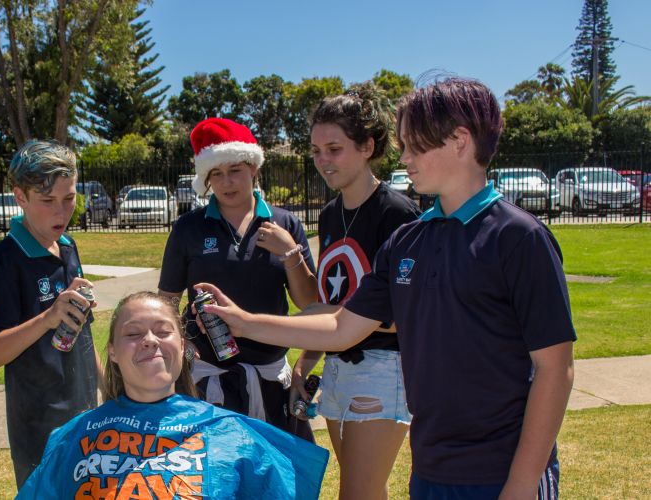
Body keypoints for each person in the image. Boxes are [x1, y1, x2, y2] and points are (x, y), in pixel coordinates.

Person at [196, 77, 574, 500]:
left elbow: (555, 369)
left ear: (460, 141)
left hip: (503, 471)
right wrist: (244, 323)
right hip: (432, 467)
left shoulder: (518, 237)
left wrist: (522, 484)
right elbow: (342, 327)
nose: (405, 158)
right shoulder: (408, 242)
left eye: (415, 145)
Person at [17, 292, 329, 499]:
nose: (149, 341)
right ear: (112, 351)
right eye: (133, 333)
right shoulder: (73, 436)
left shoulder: (233, 434)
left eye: (163, 331)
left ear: (182, 346)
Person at [291, 82, 421, 500]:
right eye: (315, 151)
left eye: (334, 148)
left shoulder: (398, 213)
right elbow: (335, 299)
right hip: (337, 367)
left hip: (384, 367)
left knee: (357, 493)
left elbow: (408, 311)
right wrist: (307, 360)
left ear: (367, 146)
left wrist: (319, 318)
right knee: (367, 490)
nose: (323, 161)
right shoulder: (330, 214)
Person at [158, 117, 320, 441]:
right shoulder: (188, 228)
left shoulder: (284, 222)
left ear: (253, 168)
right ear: (206, 179)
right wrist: (183, 344)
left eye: (235, 170)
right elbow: (167, 300)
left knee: (274, 482)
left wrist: (291, 253)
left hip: (272, 378)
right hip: (208, 381)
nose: (227, 182)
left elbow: (310, 304)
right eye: (216, 174)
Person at [0, 139, 100, 488]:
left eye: (69, 198)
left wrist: (111, 387)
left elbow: (82, 332)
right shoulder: (7, 259)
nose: (61, 212)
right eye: (47, 201)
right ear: (21, 197)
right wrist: (47, 319)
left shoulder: (67, 246)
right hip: (39, 427)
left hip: (85, 414)